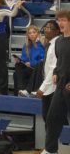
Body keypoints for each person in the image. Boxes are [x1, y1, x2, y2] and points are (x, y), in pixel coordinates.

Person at [43, 10, 70, 154]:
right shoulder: (58, 41)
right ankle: (51, 150)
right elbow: (59, 61)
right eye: (59, 20)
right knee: (52, 119)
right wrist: (55, 73)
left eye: (64, 20)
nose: (60, 23)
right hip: (60, 86)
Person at [13, 26, 45, 96]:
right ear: (28, 35)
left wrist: (32, 63)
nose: (32, 34)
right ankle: (21, 90)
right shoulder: (26, 45)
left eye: (34, 32)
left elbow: (43, 60)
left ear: (38, 33)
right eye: (30, 33)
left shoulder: (42, 44)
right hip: (28, 68)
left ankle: (24, 91)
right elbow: (24, 59)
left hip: (37, 69)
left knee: (19, 72)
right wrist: (20, 60)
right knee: (18, 65)